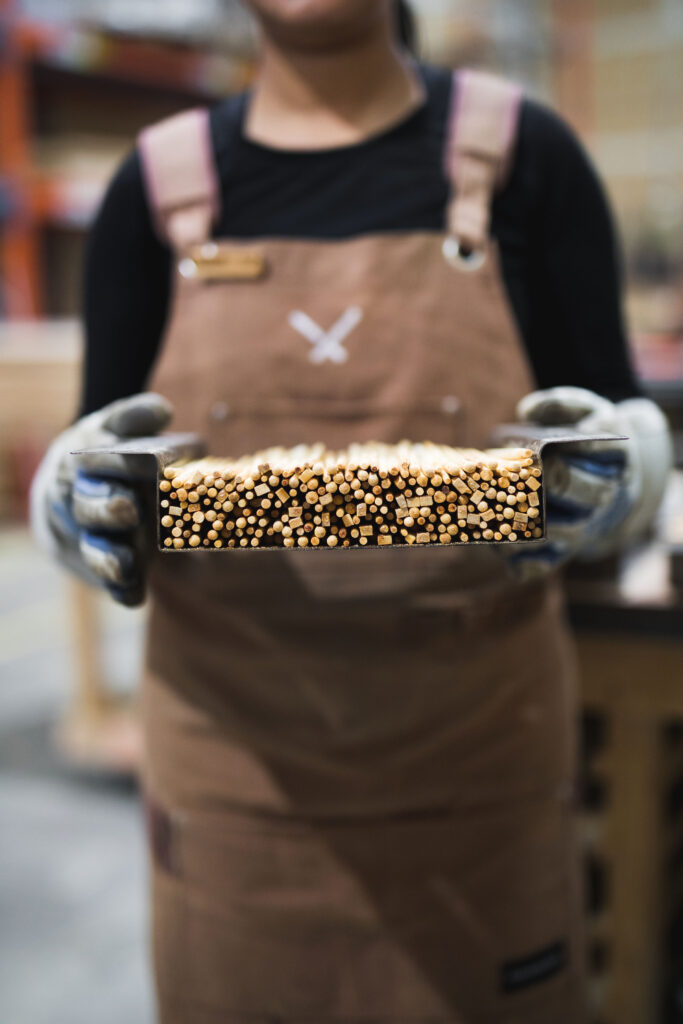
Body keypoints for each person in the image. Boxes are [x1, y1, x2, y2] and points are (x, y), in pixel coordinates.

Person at [31, 1, 672, 1021]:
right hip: (236, 794)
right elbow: (93, 444)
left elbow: (623, 408)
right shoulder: (154, 188)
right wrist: (70, 500)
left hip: (479, 788)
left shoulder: (524, 156)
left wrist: (623, 465)